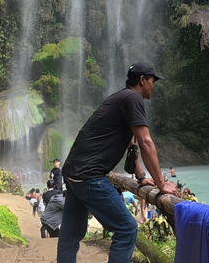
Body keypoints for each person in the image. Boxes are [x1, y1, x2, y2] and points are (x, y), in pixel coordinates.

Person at [57, 62, 179, 263]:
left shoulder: (120, 97)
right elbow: (145, 141)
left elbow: (132, 144)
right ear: (142, 80)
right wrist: (160, 184)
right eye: (152, 81)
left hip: (72, 172)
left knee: (71, 233)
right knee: (127, 229)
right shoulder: (133, 99)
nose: (153, 86)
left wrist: (141, 177)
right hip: (89, 175)